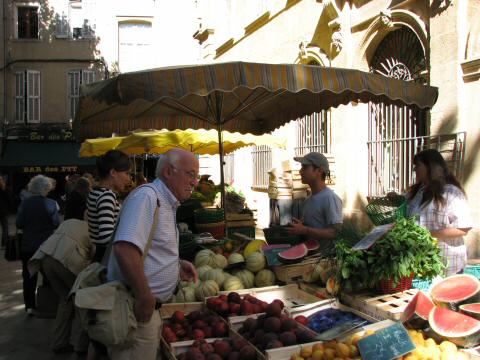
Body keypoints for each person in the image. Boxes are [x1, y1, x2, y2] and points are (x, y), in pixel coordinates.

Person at [106, 148, 198, 359]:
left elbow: (149, 247)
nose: (195, 182)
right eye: (191, 174)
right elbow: (125, 248)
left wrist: (176, 265)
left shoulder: (165, 202)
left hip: (146, 310)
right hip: (136, 311)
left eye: (197, 176)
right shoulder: (147, 197)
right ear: (168, 172)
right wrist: (145, 296)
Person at [28, 219, 94, 354]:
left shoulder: (69, 222)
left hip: (46, 259)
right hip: (68, 261)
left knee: (65, 300)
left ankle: (59, 343)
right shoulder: (93, 229)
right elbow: (93, 256)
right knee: (82, 301)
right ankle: (80, 346)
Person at [405, 149, 472, 276]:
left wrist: (427, 235)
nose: (414, 170)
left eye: (417, 165)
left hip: (447, 266)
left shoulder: (451, 193)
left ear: (431, 167)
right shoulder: (419, 191)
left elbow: (463, 229)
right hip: (422, 266)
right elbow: (404, 205)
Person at [16, 175, 60, 316]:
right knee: (48, 274)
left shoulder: (25, 203)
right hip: (46, 245)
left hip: (28, 245)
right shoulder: (52, 203)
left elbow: (19, 223)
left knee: (28, 276)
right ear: (46, 188)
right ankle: (48, 302)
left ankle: (29, 306)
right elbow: (55, 224)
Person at [286, 152, 343, 250]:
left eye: (305, 167)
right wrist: (301, 226)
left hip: (323, 260)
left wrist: (305, 230)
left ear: (319, 171)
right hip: (308, 256)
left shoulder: (330, 198)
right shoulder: (308, 199)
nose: (300, 171)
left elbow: (335, 232)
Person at [86, 150, 132, 263]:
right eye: (127, 173)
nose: (129, 179)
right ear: (113, 173)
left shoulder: (95, 192)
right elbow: (105, 238)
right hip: (106, 259)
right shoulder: (107, 196)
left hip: (99, 256)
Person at [0, 176, 12, 248]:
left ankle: (4, 243)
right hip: (3, 211)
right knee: (5, 227)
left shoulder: (5, 189)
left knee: (5, 227)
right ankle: (4, 243)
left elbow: (9, 200)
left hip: (3, 211)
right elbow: (9, 200)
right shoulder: (5, 189)